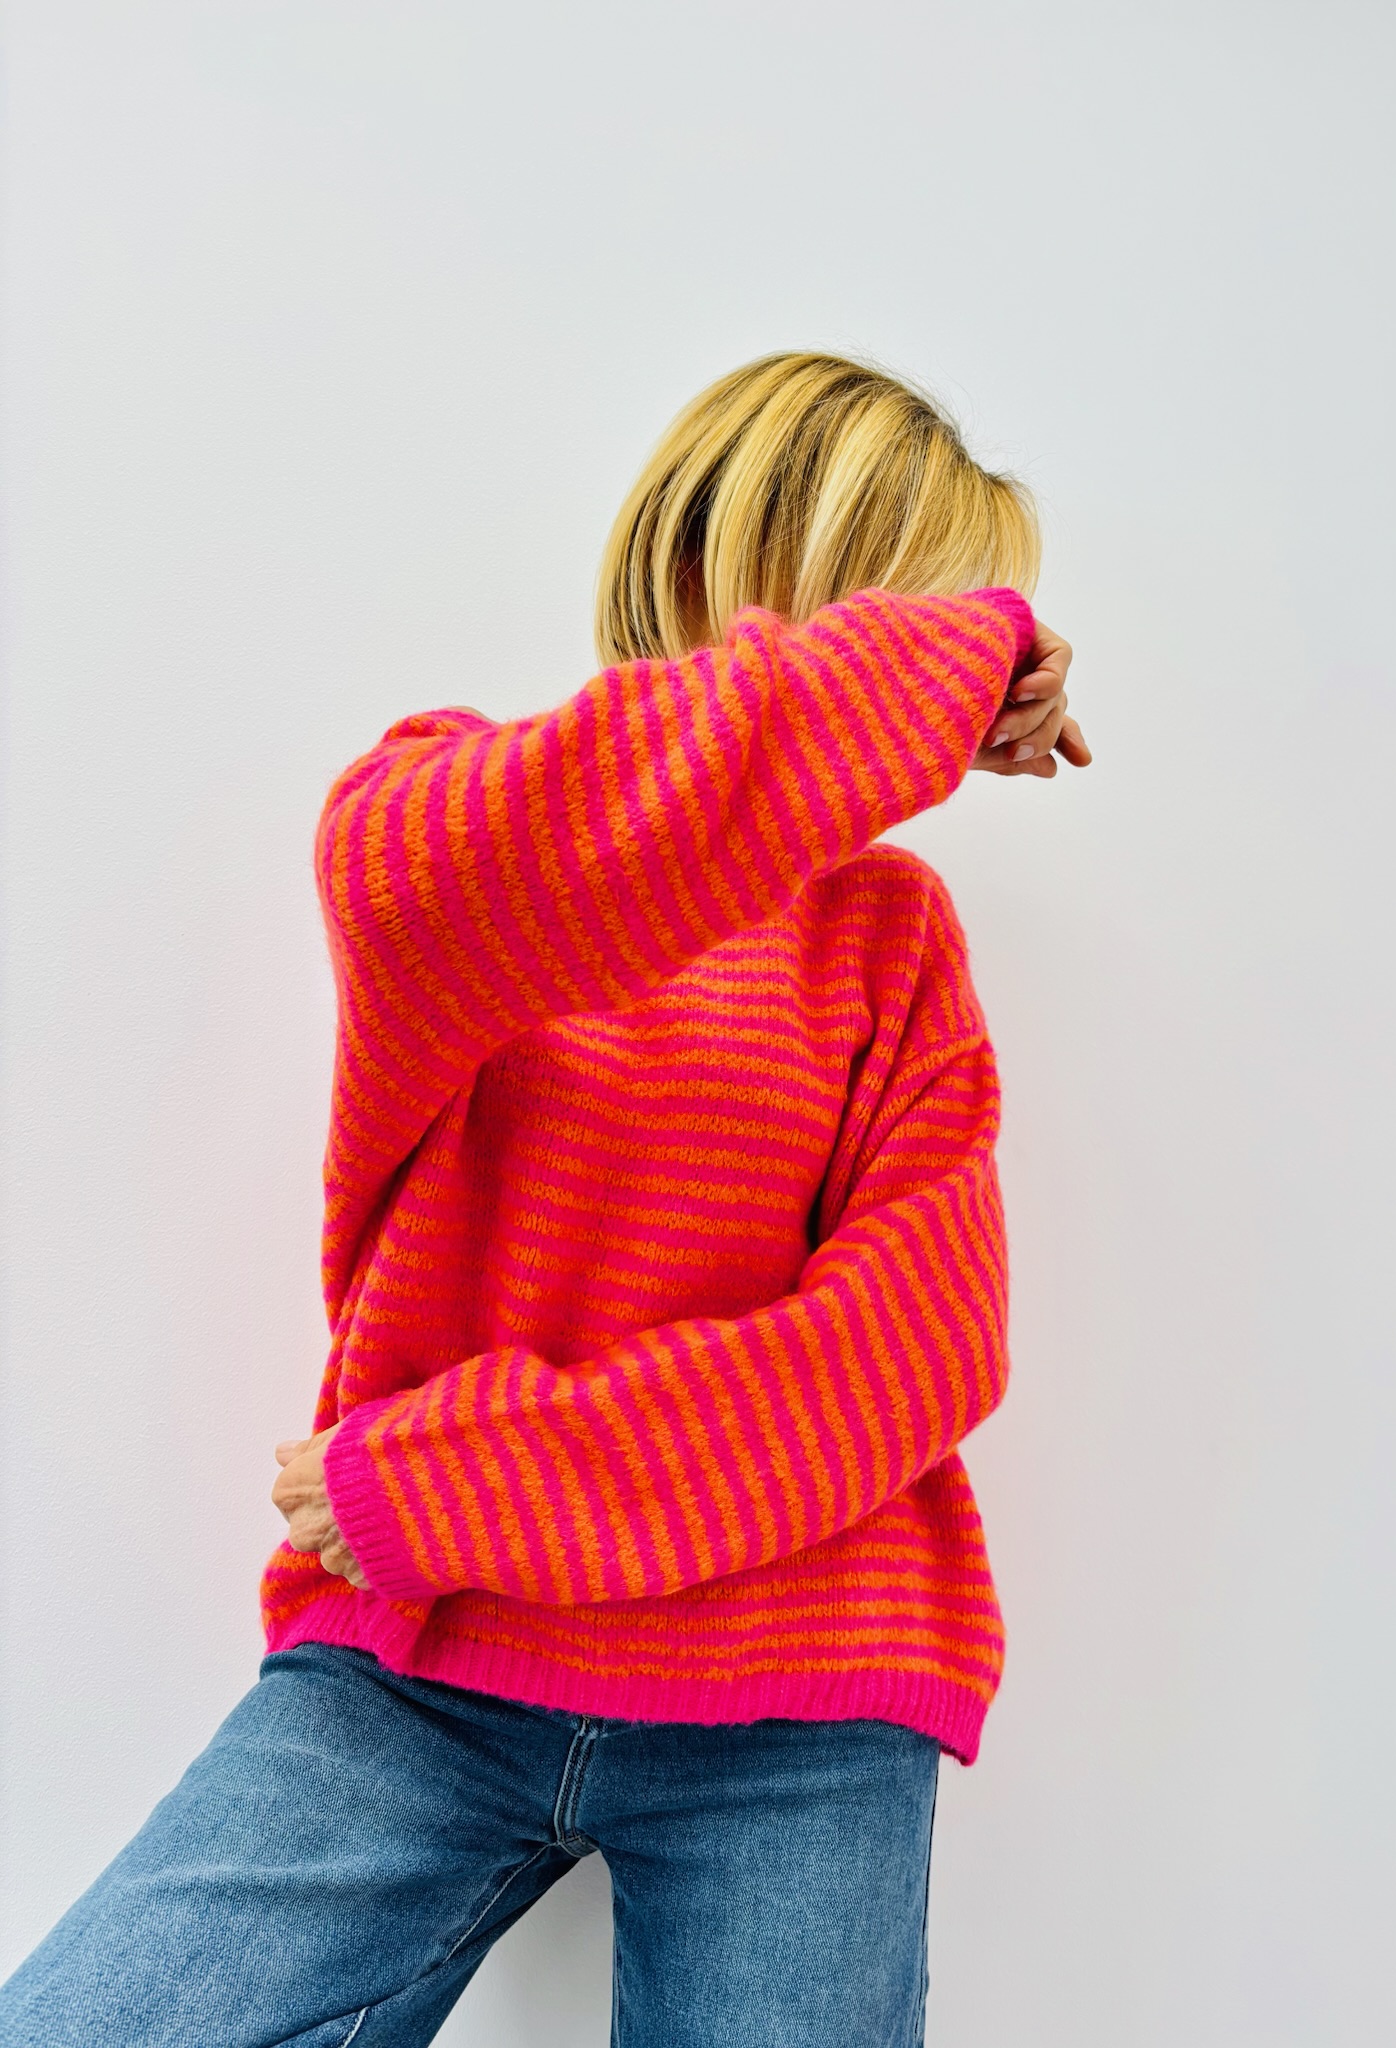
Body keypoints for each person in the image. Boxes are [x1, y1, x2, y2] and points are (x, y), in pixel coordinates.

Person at [0, 351, 1090, 2047]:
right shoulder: (431, 821)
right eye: (930, 619)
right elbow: (633, 806)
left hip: (800, 1692)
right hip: (423, 1670)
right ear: (744, 550)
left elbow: (907, 1357)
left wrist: (450, 1484)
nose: (960, 682)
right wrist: (940, 655)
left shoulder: (893, 935)